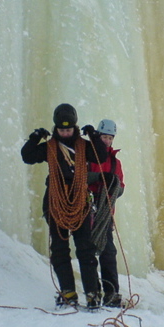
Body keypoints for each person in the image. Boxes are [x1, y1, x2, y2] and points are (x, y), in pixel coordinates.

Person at [21, 103, 107, 310]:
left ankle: (93, 293)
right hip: (55, 202)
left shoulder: (84, 146)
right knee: (59, 249)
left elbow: (101, 157)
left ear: (75, 127)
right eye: (62, 130)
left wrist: (94, 137)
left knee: (85, 249)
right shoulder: (50, 147)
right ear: (56, 128)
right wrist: (34, 138)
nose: (66, 133)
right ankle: (68, 292)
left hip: (80, 202)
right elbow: (28, 156)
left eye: (69, 129)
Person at [88, 119, 125, 308]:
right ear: (98, 136)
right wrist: (99, 180)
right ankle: (93, 292)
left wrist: (113, 186)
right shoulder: (89, 156)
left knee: (108, 252)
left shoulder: (114, 162)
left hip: (104, 214)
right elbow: (80, 177)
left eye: (110, 138)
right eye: (104, 137)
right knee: (88, 253)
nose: (107, 141)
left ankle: (111, 293)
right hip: (87, 210)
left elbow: (121, 186)